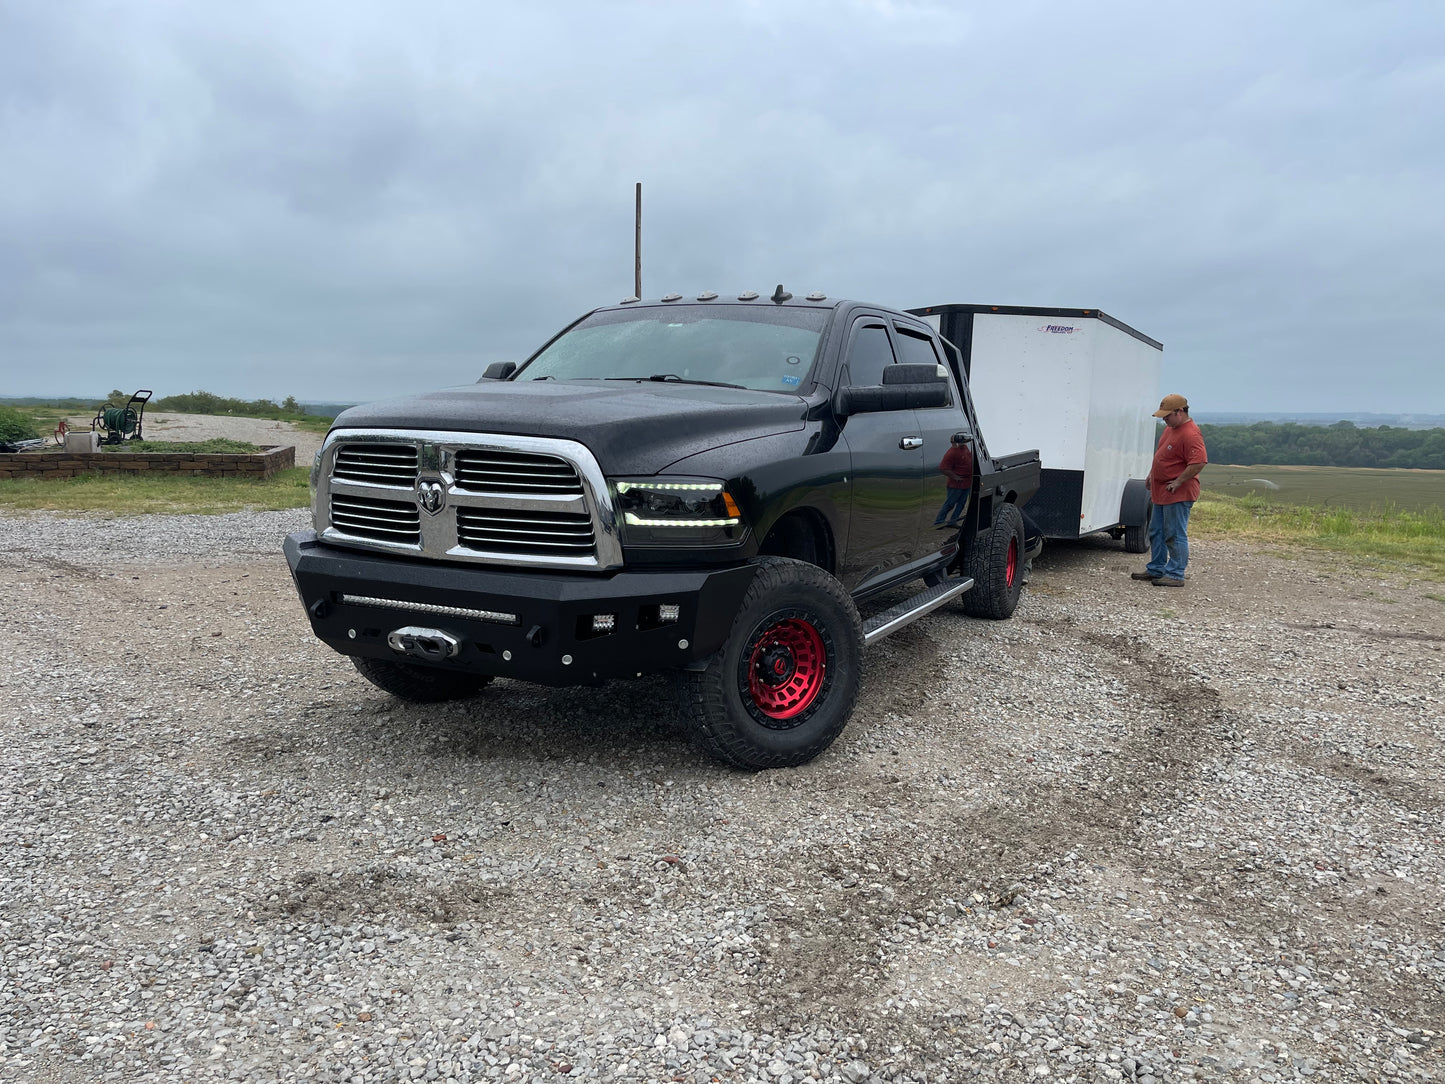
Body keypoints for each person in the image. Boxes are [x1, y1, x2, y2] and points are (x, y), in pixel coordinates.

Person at [1133, 393, 1207, 586]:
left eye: (1167, 415)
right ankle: (1156, 569)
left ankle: (1175, 574)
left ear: (1180, 412)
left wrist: (1178, 481)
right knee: (1156, 531)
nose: (1164, 419)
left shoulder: (1191, 433)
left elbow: (1198, 462)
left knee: (1174, 533)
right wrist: (1151, 474)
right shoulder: (1170, 429)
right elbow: (1161, 456)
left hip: (1177, 493)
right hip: (1161, 491)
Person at [933, 433, 974, 527]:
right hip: (956, 484)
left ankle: (953, 521)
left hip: (966, 482)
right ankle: (939, 522)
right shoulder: (952, 452)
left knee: (961, 504)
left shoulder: (964, 448)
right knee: (950, 504)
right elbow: (943, 468)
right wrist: (956, 477)